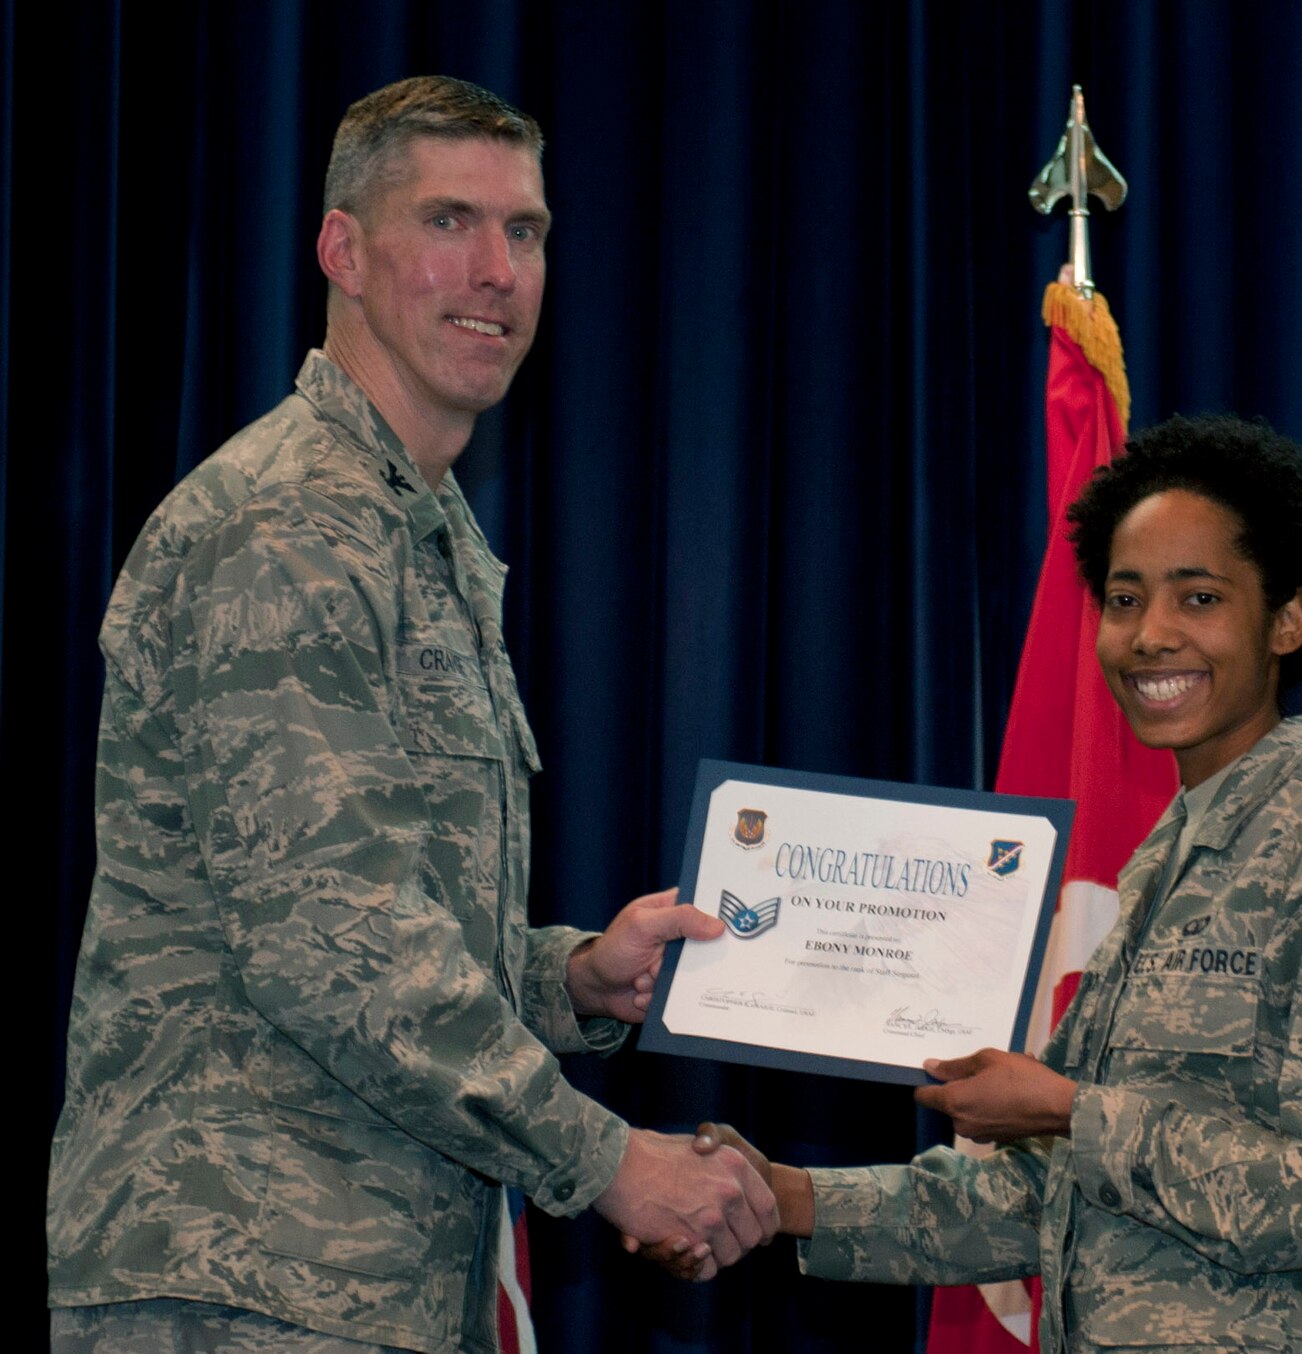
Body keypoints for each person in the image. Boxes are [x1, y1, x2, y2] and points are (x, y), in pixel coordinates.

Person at [46, 76, 775, 1353]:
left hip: (357, 1281)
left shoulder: (414, 527)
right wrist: (607, 1160)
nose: (496, 271)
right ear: (343, 250)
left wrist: (573, 979)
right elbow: (335, 940)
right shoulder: (286, 525)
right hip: (243, 1278)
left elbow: (381, 909)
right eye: (448, 221)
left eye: (527, 232)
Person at [670, 414, 1302, 1350]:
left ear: (1287, 618)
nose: (1151, 636)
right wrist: (788, 1199)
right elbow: (1054, 1194)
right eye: (1124, 601)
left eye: (1198, 598)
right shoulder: (1167, 861)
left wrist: (1072, 1111)